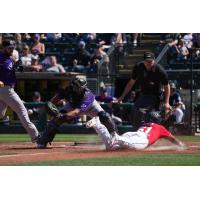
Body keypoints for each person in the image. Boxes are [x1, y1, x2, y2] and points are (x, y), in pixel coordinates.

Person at [36, 77, 118, 148]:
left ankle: (114, 134)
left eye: (77, 86)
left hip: (90, 107)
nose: (74, 87)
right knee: (56, 120)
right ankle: (43, 140)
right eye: (74, 84)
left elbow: (76, 112)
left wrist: (63, 116)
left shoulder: (88, 96)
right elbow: (54, 100)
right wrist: (46, 107)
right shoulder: (67, 89)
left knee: (104, 116)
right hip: (72, 104)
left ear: (83, 88)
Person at [118, 52, 170, 131]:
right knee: (135, 111)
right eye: (146, 61)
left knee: (151, 115)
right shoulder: (138, 67)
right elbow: (131, 83)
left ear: (154, 61)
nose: (148, 63)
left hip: (155, 96)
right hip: (143, 95)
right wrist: (122, 96)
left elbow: (167, 86)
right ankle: (137, 133)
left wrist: (166, 102)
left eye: (150, 61)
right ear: (143, 61)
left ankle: (155, 133)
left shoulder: (159, 70)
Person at [0, 40, 40, 143]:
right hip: (5, 89)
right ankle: (36, 136)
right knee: (22, 110)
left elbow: (10, 70)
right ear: (3, 48)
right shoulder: (1, 57)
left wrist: (16, 66)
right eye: (9, 47)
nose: (12, 49)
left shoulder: (9, 58)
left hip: (5, 90)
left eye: (13, 47)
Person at [86, 116, 186, 150]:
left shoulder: (145, 125)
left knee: (110, 146)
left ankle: (97, 124)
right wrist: (180, 145)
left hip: (131, 134)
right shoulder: (160, 127)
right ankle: (116, 137)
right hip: (142, 139)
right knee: (128, 144)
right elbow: (172, 138)